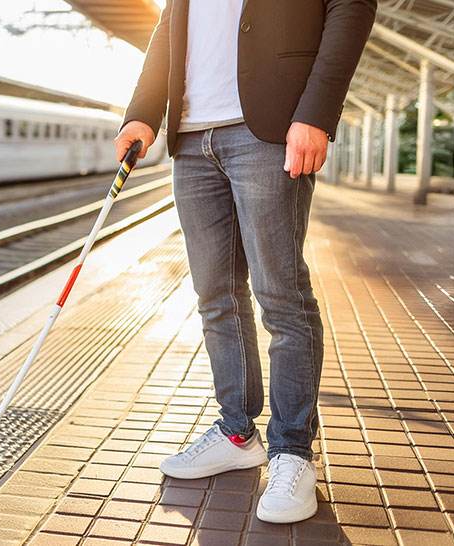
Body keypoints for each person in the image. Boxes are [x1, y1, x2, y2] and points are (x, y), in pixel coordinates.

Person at [114, 0, 376, 524]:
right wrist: (141, 112)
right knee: (215, 297)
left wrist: (316, 113)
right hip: (190, 137)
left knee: (281, 298)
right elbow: (170, 26)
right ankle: (237, 432)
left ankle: (292, 452)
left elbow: (351, 6)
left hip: (269, 129)